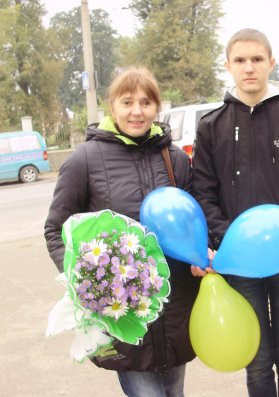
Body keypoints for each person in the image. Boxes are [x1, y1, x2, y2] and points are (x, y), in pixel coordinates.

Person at [191, 28, 279, 396]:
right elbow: (203, 194)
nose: (249, 68)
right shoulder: (210, 126)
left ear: (271, 62)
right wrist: (231, 241)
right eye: (240, 60)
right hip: (239, 264)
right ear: (228, 66)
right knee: (256, 360)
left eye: (256, 59)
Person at [44, 67, 200, 397]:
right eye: (127, 102)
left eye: (146, 102)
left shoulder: (174, 159)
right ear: (111, 106)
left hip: (174, 310)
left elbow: (193, 223)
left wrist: (201, 257)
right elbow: (56, 230)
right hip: (122, 314)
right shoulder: (85, 160)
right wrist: (85, 281)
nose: (137, 111)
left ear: (157, 106)